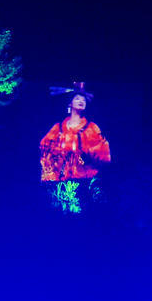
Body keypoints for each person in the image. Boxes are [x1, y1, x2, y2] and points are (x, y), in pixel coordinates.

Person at [40, 82, 111, 212]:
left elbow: (104, 156)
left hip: (84, 183)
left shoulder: (91, 128)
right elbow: (44, 150)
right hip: (60, 184)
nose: (81, 101)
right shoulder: (58, 128)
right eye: (77, 98)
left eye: (83, 99)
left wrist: (87, 153)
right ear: (70, 103)